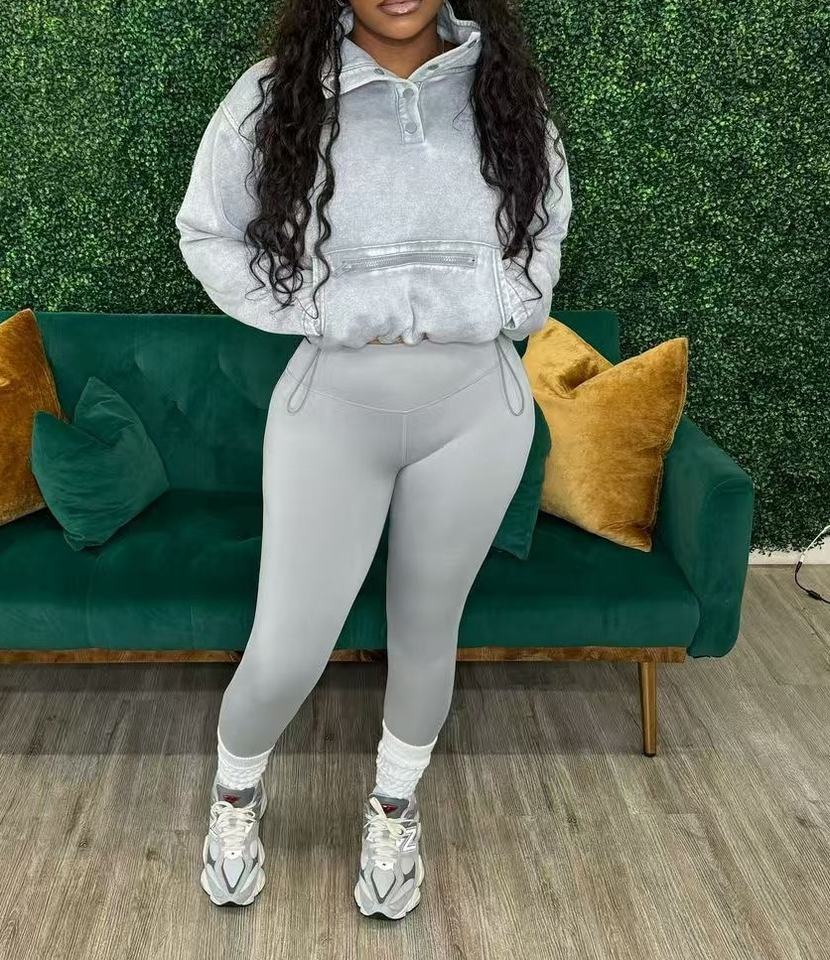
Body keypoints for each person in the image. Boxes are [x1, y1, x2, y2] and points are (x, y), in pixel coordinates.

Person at [175, 0, 572, 920]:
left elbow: (546, 224)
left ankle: (393, 812)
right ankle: (234, 798)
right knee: (286, 648)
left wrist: (508, 301)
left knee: (427, 636)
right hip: (334, 407)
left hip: (477, 408)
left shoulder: (505, 93)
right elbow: (207, 231)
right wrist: (316, 309)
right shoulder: (275, 95)